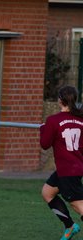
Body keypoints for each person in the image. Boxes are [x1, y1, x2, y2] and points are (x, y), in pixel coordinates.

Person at [40, 85, 83, 240]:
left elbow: (44, 144)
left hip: (68, 171)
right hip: (73, 167)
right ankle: (70, 226)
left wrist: (43, 129)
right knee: (47, 193)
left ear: (60, 100)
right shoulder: (80, 119)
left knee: (78, 206)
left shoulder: (53, 120)